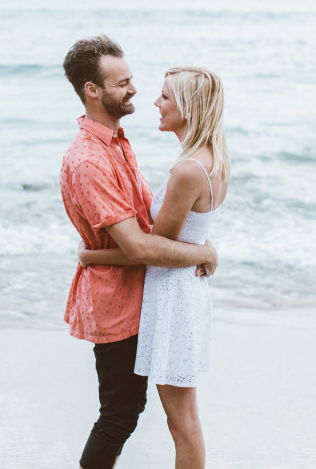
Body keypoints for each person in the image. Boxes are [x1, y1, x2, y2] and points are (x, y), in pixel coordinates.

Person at [60, 36, 218, 469]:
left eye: (133, 80)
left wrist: (202, 250)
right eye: (123, 82)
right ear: (92, 90)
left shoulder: (118, 142)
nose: (135, 91)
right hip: (116, 303)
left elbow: (148, 230)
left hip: (145, 297)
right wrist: (202, 253)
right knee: (119, 415)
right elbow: (137, 244)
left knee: (134, 414)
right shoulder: (90, 159)